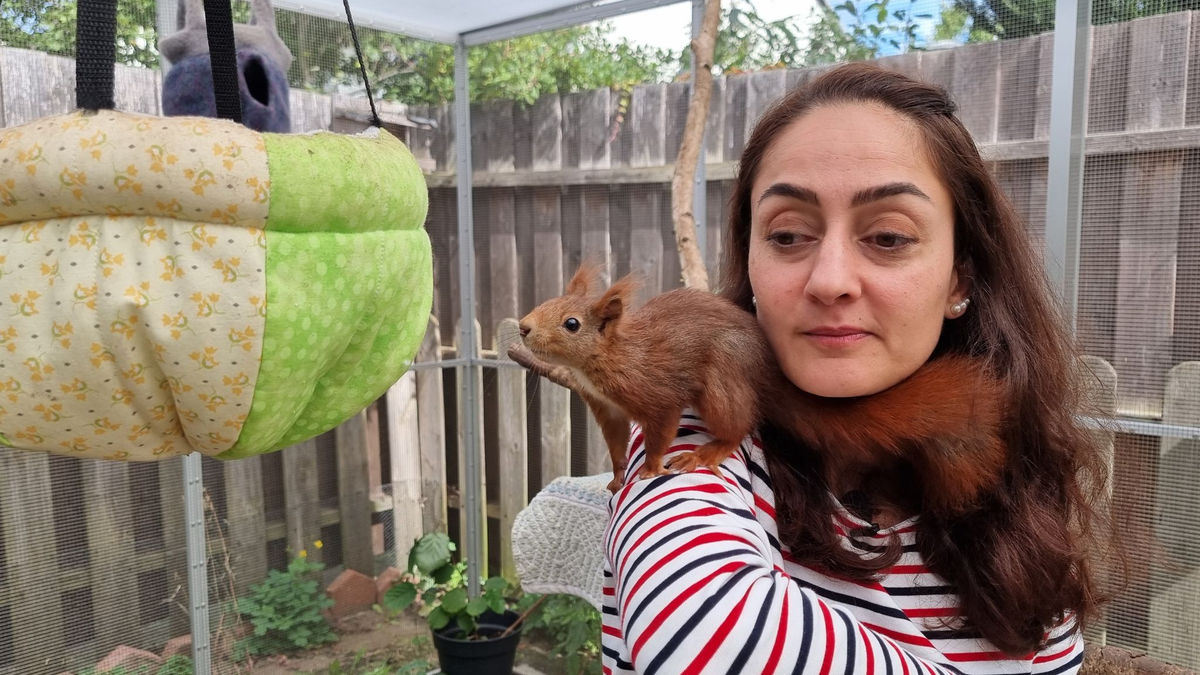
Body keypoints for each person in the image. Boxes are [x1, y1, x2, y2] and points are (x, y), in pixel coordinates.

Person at [596, 62, 1113, 674]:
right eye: (788, 236)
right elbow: (708, 632)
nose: (830, 280)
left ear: (959, 280)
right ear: (752, 266)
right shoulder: (698, 436)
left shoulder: (1014, 510)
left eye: (889, 237)